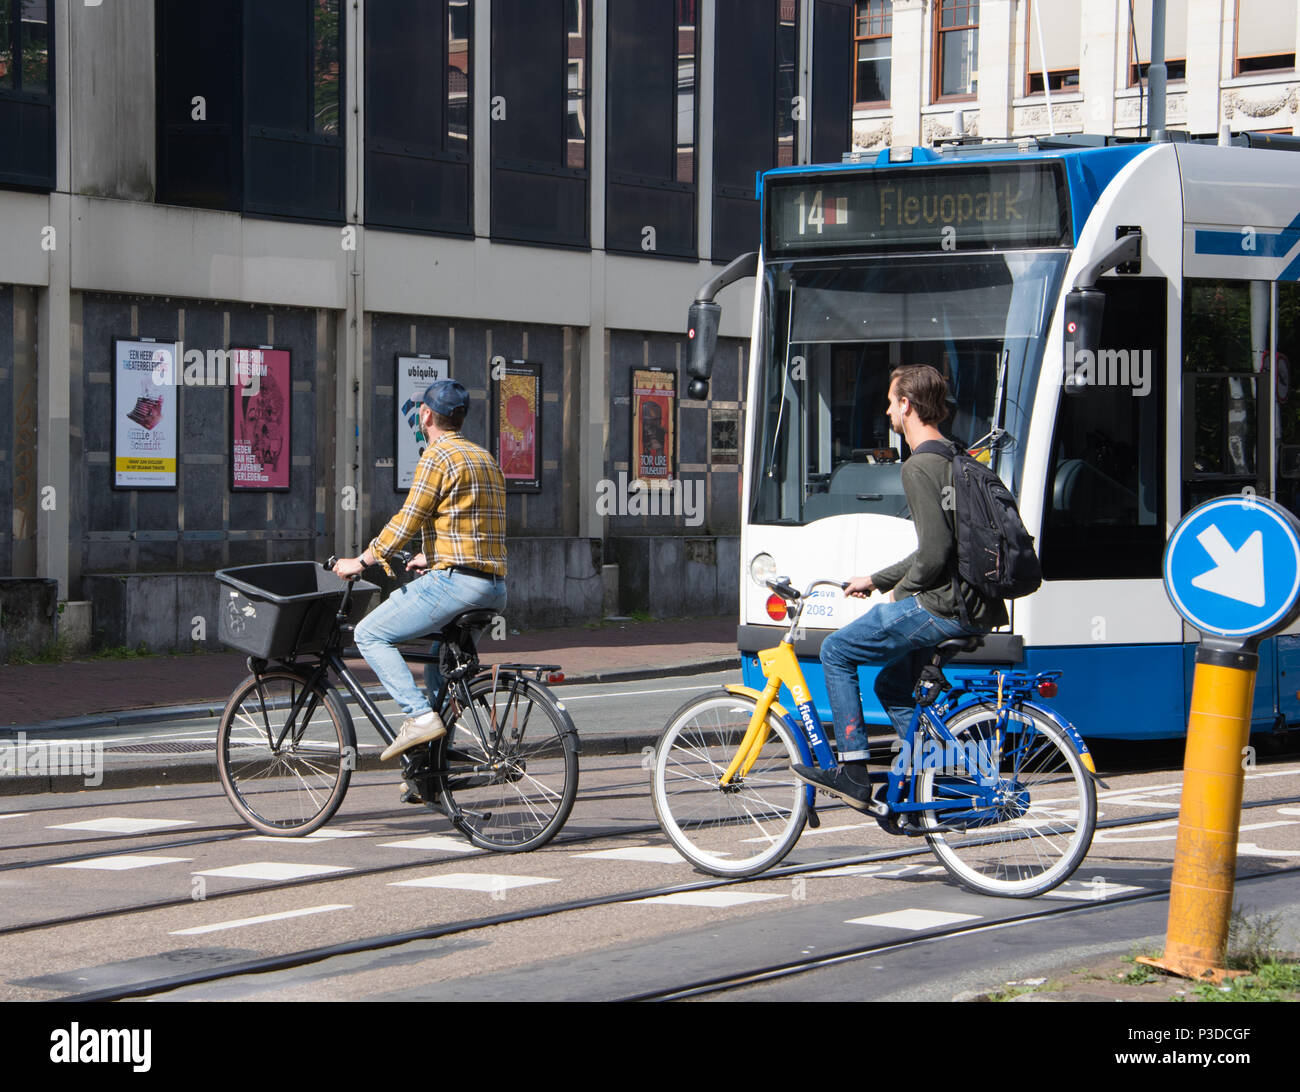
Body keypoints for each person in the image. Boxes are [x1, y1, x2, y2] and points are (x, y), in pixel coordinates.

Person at [793, 365, 1007, 812]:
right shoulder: (954, 456)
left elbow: (932, 555)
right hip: (973, 606)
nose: (889, 411)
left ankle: (851, 770)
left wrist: (900, 593)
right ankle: (938, 783)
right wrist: (876, 579)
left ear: (906, 405)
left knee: (836, 651)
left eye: (891, 402)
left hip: (940, 606)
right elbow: (944, 546)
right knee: (893, 686)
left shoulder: (918, 466)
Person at [333, 379, 507, 763]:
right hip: (493, 587)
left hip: (456, 586)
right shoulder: (484, 457)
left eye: (420, 411)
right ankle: (433, 764)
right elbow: (476, 525)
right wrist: (433, 555)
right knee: (437, 665)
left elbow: (407, 520)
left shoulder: (437, 456)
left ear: (426, 415)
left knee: (370, 633)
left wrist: (362, 561)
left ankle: (418, 718)